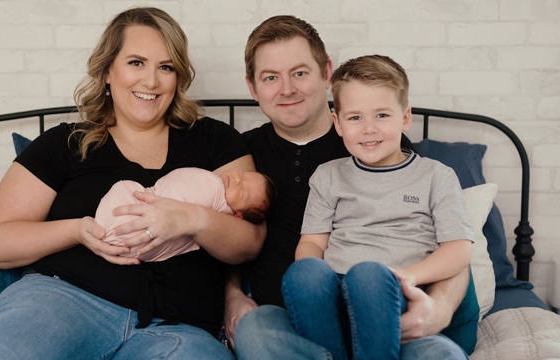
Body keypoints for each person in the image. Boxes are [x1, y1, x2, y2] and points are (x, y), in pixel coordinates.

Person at [0, 7, 264, 359]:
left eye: (165, 67)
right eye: (136, 62)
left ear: (177, 77)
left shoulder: (215, 141)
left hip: (176, 326)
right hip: (62, 304)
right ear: (108, 70)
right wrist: (76, 231)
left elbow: (250, 241)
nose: (150, 81)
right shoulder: (65, 144)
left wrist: (192, 219)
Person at [225, 14, 473, 360]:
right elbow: (225, 239)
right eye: (270, 77)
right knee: (256, 330)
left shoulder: (382, 147)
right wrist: (233, 296)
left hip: (390, 309)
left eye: (299, 72)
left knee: (440, 355)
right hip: (291, 318)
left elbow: (453, 246)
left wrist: (441, 308)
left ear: (326, 71)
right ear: (252, 87)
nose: (286, 89)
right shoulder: (239, 156)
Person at [281, 54, 477, 360]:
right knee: (302, 272)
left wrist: (407, 276)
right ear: (338, 124)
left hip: (401, 291)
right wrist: (317, 276)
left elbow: (459, 250)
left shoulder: (435, 175)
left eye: (382, 115)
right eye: (355, 118)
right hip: (339, 294)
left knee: (370, 277)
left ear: (405, 118)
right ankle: (336, 352)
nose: (369, 128)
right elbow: (311, 243)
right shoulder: (329, 175)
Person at [96, 167, 276, 261]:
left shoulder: (219, 206)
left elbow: (251, 242)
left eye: (243, 191)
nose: (237, 180)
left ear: (238, 216)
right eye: (243, 175)